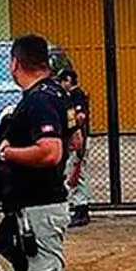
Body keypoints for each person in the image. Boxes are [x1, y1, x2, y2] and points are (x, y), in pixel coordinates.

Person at [0, 34, 88, 271]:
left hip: (40, 211)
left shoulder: (39, 101)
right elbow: (75, 140)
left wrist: (8, 153)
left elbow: (51, 151)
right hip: (26, 210)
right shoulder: (56, 95)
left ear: (16, 63)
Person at [58, 69, 91, 228]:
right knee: (72, 173)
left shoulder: (76, 95)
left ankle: (81, 209)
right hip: (74, 140)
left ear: (68, 80)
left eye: (62, 81)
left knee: (77, 174)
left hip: (79, 139)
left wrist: (75, 133)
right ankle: (77, 207)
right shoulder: (70, 96)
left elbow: (80, 117)